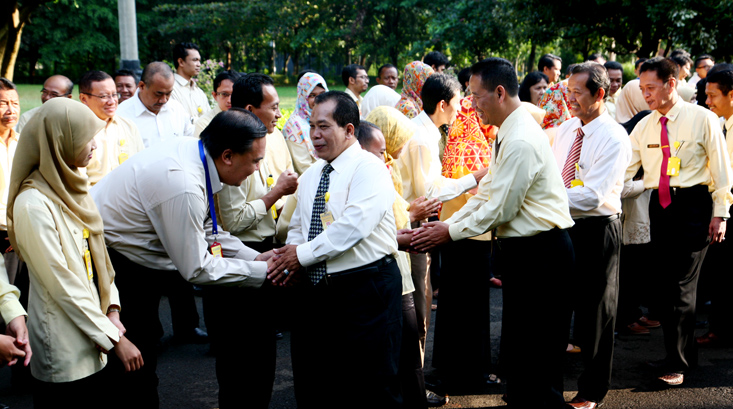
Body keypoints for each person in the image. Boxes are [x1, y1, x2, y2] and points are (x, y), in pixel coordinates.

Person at [411, 57, 574, 408]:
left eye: (475, 95)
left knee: (540, 356)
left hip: (542, 252)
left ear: (499, 93)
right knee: (523, 352)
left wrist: (448, 231)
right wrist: (449, 226)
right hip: (524, 251)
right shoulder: (508, 131)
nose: (470, 105)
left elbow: (501, 208)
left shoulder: (520, 139)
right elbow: (487, 194)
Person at [90, 108, 275, 407]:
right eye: (255, 160)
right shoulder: (184, 183)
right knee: (135, 363)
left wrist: (259, 258)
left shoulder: (197, 153)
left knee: (144, 346)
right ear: (227, 156)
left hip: (134, 254)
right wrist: (263, 273)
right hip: (117, 263)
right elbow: (197, 268)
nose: (257, 169)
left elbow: (207, 231)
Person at [267, 91, 401, 409]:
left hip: (366, 290)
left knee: (371, 385)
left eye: (324, 126)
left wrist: (300, 255)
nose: (315, 134)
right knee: (320, 384)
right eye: (312, 126)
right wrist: (294, 256)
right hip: (319, 293)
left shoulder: (369, 169)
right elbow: (298, 225)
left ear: (349, 130)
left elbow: (353, 226)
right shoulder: (313, 174)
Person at [7, 98, 143, 407]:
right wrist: (114, 338)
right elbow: (61, 282)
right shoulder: (33, 204)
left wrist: (112, 309)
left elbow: (99, 262)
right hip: (65, 346)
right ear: (59, 144)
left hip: (95, 329)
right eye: (84, 138)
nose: (94, 144)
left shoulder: (73, 188)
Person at [625, 57, 732, 386]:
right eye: (642, 89)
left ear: (672, 84)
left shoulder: (702, 118)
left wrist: (720, 213)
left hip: (695, 205)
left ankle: (680, 363)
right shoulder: (644, 125)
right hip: (661, 205)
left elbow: (721, 170)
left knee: (682, 287)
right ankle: (675, 355)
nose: (646, 95)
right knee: (663, 288)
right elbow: (628, 170)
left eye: (652, 88)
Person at [206, 73, 298, 408]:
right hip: (237, 255)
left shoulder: (272, 139)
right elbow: (230, 221)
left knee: (262, 357)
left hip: (264, 251)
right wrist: (276, 194)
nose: (279, 115)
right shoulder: (231, 149)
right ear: (249, 109)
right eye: (273, 107)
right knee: (239, 363)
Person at [552, 63, 631, 409]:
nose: (570, 99)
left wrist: (542, 199)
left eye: (577, 93)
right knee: (557, 306)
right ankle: (548, 385)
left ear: (600, 94)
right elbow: (555, 176)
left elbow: (592, 195)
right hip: (563, 225)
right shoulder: (568, 128)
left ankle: (592, 390)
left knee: (596, 314)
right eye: (568, 91)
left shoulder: (614, 137)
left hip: (598, 230)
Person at [697, 67, 733, 347]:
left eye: (712, 95)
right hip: (720, 206)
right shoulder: (720, 124)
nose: (708, 102)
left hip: (727, 207)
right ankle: (720, 328)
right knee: (721, 272)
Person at [78, 70, 145, 186]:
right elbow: (79, 180)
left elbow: (141, 166)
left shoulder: (129, 126)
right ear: (84, 99)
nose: (112, 101)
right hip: (93, 200)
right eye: (104, 96)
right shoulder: (77, 130)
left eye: (114, 94)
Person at [116, 62, 193, 148]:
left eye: (168, 93)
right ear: (141, 86)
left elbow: (190, 140)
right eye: (158, 94)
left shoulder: (177, 109)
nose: (164, 100)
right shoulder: (121, 116)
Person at [283, 72, 329, 174]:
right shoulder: (294, 126)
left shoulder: (330, 118)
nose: (318, 99)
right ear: (303, 97)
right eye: (312, 95)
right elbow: (304, 167)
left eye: (322, 94)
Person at [170, 42, 211, 121]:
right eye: (195, 60)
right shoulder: (170, 89)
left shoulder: (199, 92)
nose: (199, 64)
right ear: (181, 62)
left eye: (199, 60)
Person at [194, 70, 241, 137]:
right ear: (215, 95)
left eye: (235, 94)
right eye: (224, 94)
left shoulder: (248, 120)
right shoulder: (204, 123)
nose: (229, 100)